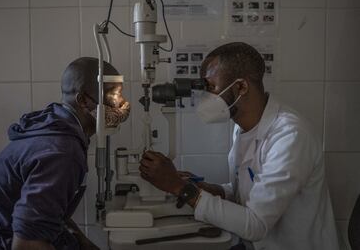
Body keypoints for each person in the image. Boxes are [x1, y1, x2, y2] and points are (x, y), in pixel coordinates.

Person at [139, 42, 339, 250]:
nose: (206, 97)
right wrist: (208, 189)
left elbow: (256, 224)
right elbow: (244, 193)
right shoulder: (243, 127)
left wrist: (178, 187)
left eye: (211, 87)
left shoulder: (290, 136)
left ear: (241, 87)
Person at [0, 57, 130, 250]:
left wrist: (84, 243)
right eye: (113, 96)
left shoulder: (58, 128)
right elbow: (26, 244)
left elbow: (48, 214)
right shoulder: (62, 152)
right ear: (84, 101)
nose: (122, 104)